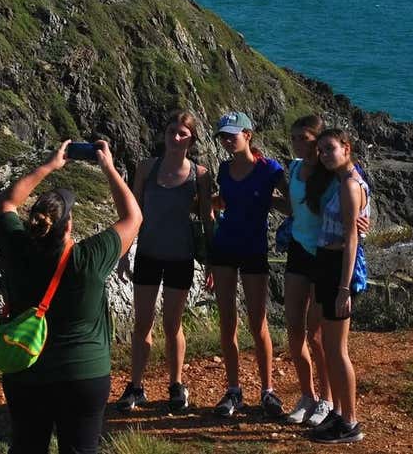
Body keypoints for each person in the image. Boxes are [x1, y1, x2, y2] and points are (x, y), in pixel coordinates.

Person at [0, 139, 142, 454]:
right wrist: (109, 169)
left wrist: (49, 165)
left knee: (26, 447)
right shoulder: (90, 257)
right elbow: (133, 218)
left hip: (25, 371)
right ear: (69, 224)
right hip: (83, 374)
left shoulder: (17, 247)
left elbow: (7, 202)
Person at [116, 111, 214, 413]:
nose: (175, 138)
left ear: (191, 138)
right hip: (148, 253)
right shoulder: (146, 167)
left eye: (182, 133)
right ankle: (135, 386)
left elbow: (207, 219)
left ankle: (176, 384)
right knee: (142, 323)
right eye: (171, 131)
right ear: (164, 133)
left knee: (173, 324)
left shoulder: (200, 174)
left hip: (180, 257)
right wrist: (123, 252)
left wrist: (210, 261)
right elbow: (132, 213)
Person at [210, 111, 289, 418]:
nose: (228, 140)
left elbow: (290, 202)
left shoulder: (269, 169)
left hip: (254, 249)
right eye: (224, 136)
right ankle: (233, 390)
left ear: (248, 134)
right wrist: (202, 205)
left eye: (233, 134)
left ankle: (268, 390)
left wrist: (269, 201)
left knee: (258, 322)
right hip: (225, 248)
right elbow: (224, 201)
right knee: (228, 321)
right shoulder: (224, 169)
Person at [305, 129, 369, 444]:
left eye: (331, 149)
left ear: (347, 147)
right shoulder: (342, 181)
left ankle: (350, 422)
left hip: (337, 269)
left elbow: (352, 238)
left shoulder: (349, 185)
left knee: (337, 349)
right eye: (321, 150)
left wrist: (344, 288)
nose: (325, 155)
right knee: (329, 346)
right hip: (327, 265)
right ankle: (341, 414)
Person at [282, 115, 334, 426]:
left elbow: (357, 195)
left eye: (305, 138)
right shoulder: (292, 169)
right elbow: (292, 207)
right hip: (298, 251)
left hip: (324, 255)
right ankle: (306, 395)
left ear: (317, 140)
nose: (299, 143)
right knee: (293, 329)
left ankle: (326, 400)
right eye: (295, 138)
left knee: (316, 335)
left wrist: (361, 222)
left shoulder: (331, 175)